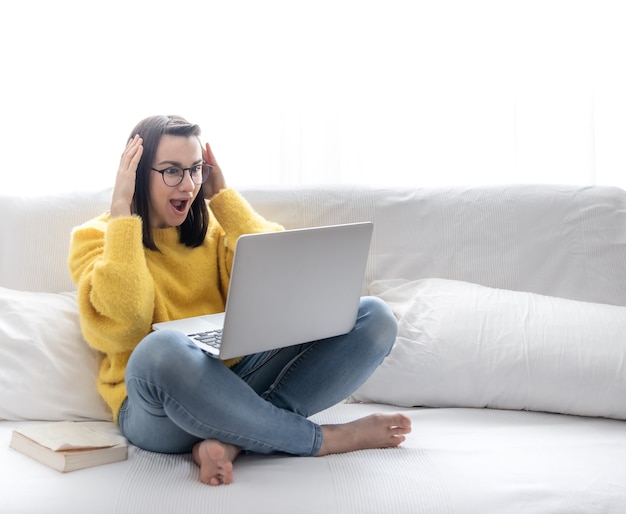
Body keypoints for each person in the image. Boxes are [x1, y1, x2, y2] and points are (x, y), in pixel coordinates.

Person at [68, 114, 411, 486]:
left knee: (374, 317)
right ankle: (321, 440)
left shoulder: (213, 231)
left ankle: (233, 438)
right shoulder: (97, 237)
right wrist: (122, 215)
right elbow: (124, 326)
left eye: (195, 169)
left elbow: (284, 280)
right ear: (135, 174)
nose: (187, 185)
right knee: (161, 348)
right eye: (171, 171)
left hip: (239, 380)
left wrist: (223, 199)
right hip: (157, 408)